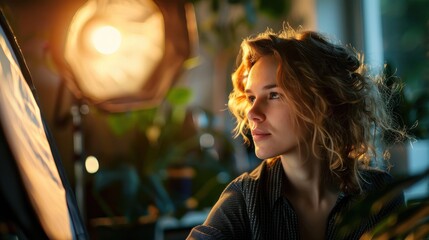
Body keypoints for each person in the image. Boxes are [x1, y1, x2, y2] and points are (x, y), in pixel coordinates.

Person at [187, 27, 407, 240]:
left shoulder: (380, 194)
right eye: (252, 98)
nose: (252, 113)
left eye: (273, 95)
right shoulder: (245, 199)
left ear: (321, 102)